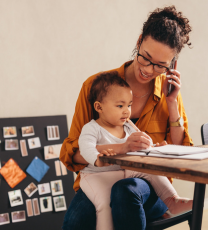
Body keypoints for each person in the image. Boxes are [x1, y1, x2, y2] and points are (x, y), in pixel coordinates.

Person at [60, 5, 193, 230]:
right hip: (101, 178)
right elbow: (72, 154)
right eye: (146, 58)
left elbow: (182, 152)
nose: (149, 70)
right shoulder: (96, 87)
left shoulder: (169, 94)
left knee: (125, 191)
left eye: (161, 65)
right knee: (76, 220)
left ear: (172, 65)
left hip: (148, 186)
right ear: (139, 41)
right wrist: (118, 150)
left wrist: (172, 104)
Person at [79, 72, 192, 230]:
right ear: (99, 107)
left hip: (124, 171)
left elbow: (143, 143)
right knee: (104, 205)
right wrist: (97, 158)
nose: (126, 111)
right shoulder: (92, 128)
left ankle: (173, 200)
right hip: (97, 176)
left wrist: (153, 148)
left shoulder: (128, 126)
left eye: (129, 105)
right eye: (120, 106)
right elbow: (85, 148)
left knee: (150, 170)